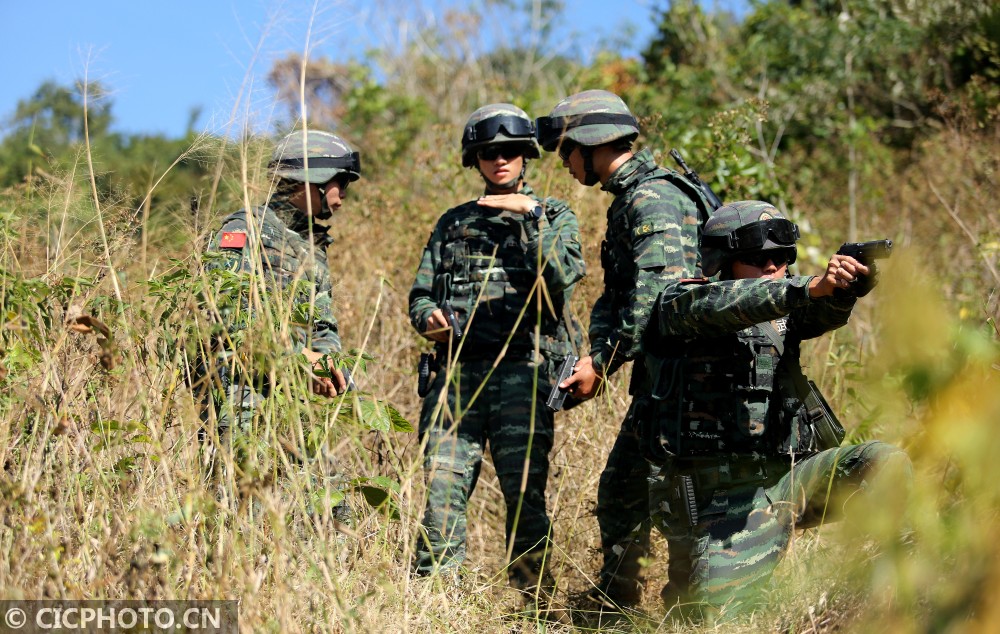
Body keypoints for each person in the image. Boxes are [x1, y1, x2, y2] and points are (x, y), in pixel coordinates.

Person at [642, 200, 911, 612]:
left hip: (790, 477)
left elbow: (818, 312)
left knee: (885, 463)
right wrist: (808, 286)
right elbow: (737, 301)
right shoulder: (681, 305)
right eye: (755, 258)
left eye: (781, 257)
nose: (771, 267)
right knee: (716, 616)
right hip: (724, 500)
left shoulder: (780, 312)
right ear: (723, 262)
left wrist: (845, 287)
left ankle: (882, 591)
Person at [535, 89, 712, 608]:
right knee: (624, 490)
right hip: (663, 376)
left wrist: (602, 362)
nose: (564, 164)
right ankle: (616, 603)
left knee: (677, 501)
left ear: (590, 145)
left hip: (686, 380)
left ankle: (691, 610)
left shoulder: (651, 198)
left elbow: (658, 298)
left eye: (566, 152)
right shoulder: (633, 198)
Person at [408, 103, 586, 599]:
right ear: (476, 160)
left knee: (525, 496)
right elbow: (420, 295)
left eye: (510, 151)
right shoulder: (453, 222)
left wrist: (531, 219)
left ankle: (532, 603)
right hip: (455, 379)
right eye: (489, 153)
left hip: (523, 377)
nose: (500, 160)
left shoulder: (554, 215)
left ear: (527, 155)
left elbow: (561, 280)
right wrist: (429, 319)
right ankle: (434, 605)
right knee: (442, 494)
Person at [198, 129, 359, 453]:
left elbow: (322, 324)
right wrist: (300, 359)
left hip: (297, 411)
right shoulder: (243, 230)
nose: (342, 196)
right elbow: (227, 322)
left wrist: (327, 360)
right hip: (245, 407)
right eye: (340, 183)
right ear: (313, 178)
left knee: (329, 502)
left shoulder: (310, 244)